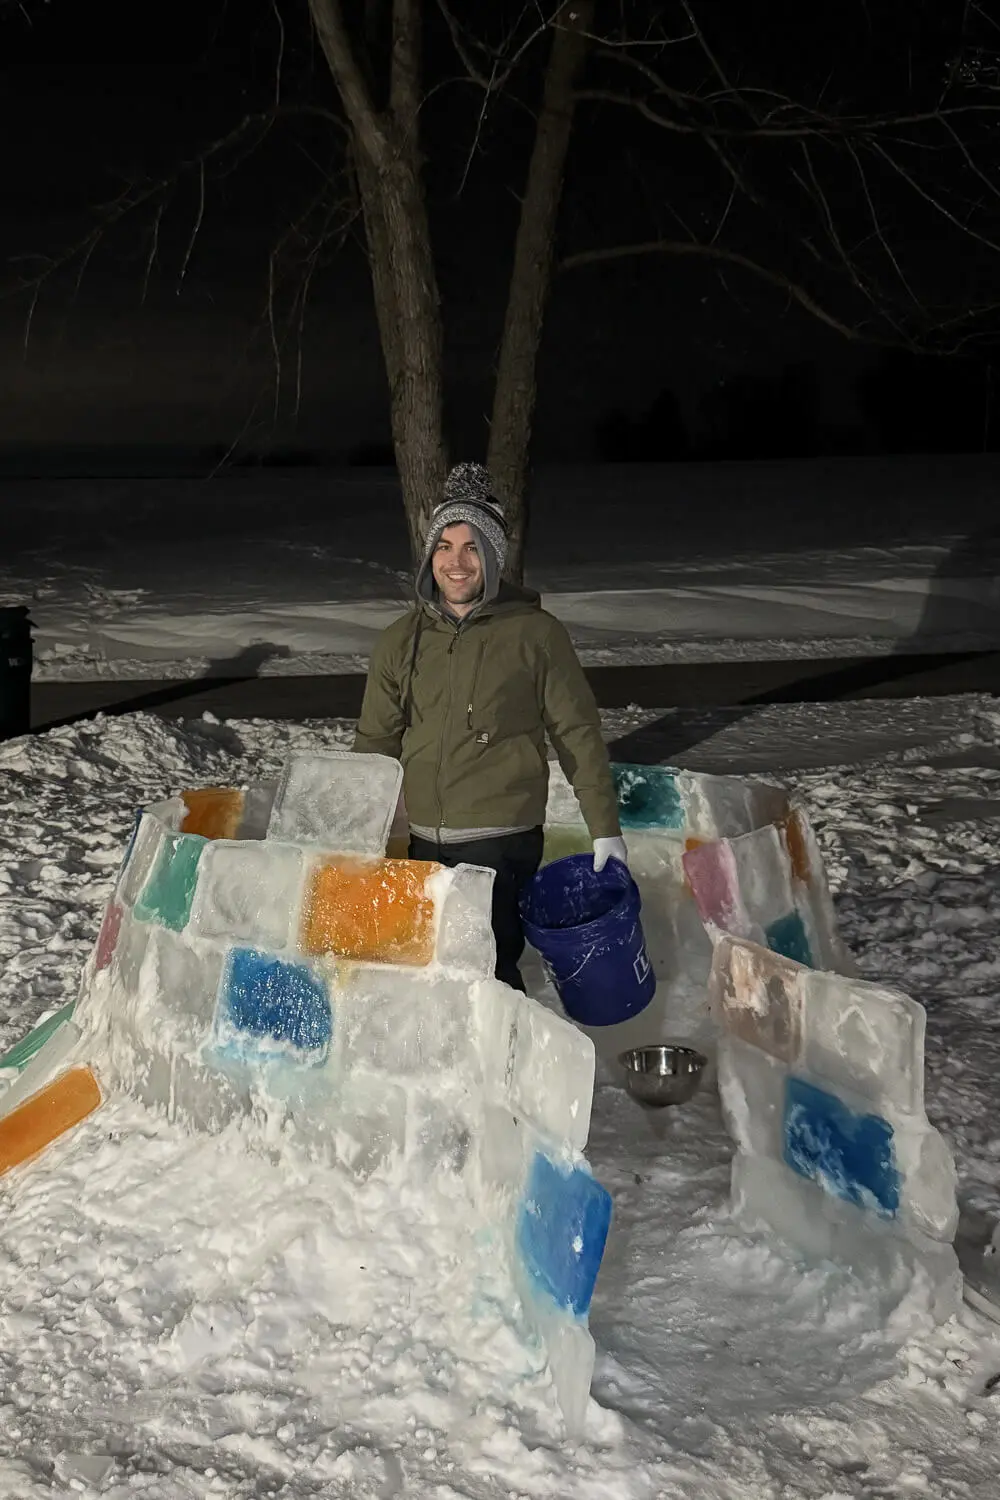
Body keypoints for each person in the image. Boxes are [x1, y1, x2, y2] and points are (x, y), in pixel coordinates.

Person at [353, 461, 626, 991]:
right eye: (445, 547)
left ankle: (504, 1071)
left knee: (488, 974)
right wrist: (356, 828)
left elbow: (577, 732)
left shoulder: (536, 635)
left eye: (472, 547)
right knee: (429, 973)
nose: (456, 563)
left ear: (494, 558)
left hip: (500, 840)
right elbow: (375, 742)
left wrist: (605, 828)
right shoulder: (400, 639)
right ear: (429, 556)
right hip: (425, 841)